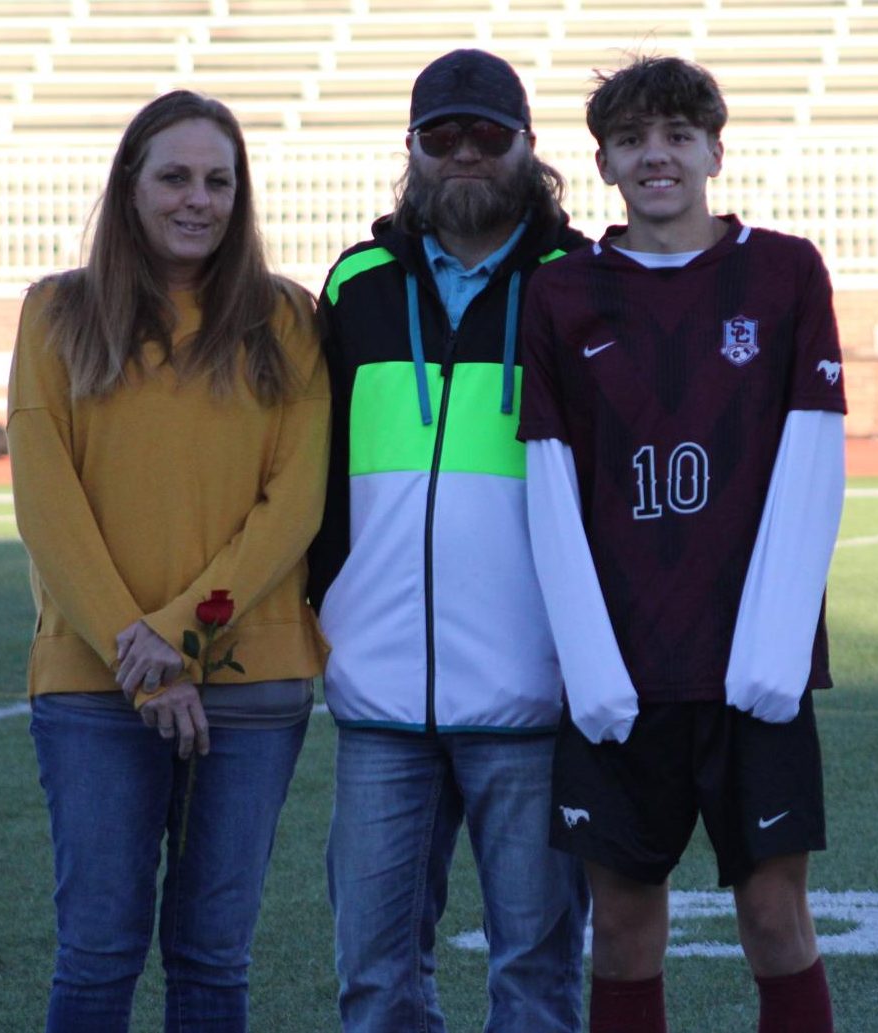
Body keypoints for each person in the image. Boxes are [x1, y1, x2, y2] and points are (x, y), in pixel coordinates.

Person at [518, 56, 845, 1033]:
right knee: (619, 927)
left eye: (674, 135)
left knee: (774, 916)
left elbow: (813, 454)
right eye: (630, 141)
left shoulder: (784, 271)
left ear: (712, 148)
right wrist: (588, 663)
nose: (654, 156)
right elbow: (546, 474)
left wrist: (777, 647)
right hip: (620, 667)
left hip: (754, 664)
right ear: (604, 165)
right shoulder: (561, 293)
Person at [7, 90, 330, 1032]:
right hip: (94, 683)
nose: (200, 199)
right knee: (98, 956)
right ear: (131, 186)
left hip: (250, 683)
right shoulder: (55, 314)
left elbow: (292, 507)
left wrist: (175, 638)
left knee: (212, 962)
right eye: (175, 176)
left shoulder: (289, 320)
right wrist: (136, 654)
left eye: (219, 180)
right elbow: (48, 503)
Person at [306, 49, 590, 1033]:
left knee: (536, 983)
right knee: (374, 984)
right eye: (443, 136)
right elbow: (312, 476)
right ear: (413, 152)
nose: (464, 153)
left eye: (486, 135)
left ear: (526, 148)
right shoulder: (355, 283)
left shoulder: (583, 284)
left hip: (533, 697)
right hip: (380, 695)